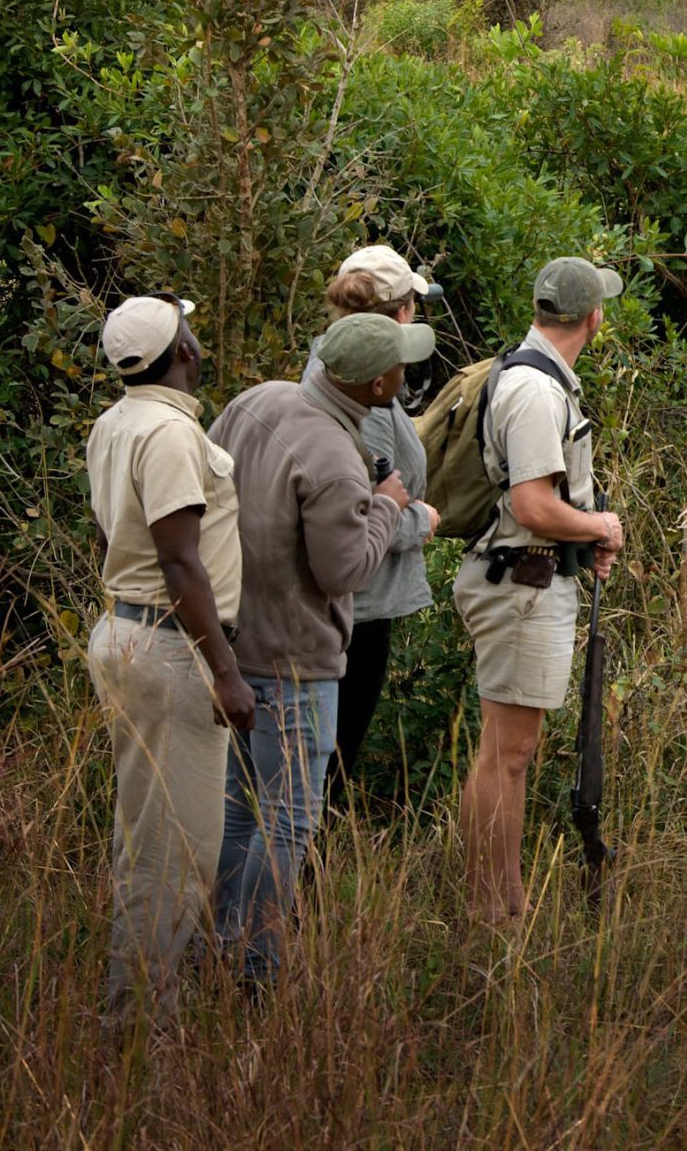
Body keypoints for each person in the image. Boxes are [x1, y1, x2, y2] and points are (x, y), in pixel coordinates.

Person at [207, 310, 436, 983]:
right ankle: (257, 969)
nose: (407, 372)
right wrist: (390, 504)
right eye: (399, 366)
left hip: (238, 649)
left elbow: (209, 479)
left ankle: (220, 944)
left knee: (240, 812)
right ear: (374, 385)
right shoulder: (338, 459)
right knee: (290, 822)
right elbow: (343, 571)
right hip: (298, 665)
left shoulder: (258, 401)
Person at [82, 295, 253, 1021]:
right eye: (189, 325)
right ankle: (141, 1029)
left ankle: (142, 1012)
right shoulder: (170, 435)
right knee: (175, 854)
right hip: (169, 646)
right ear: (179, 349)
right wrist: (225, 670)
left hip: (125, 629)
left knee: (146, 837)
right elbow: (180, 563)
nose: (196, 332)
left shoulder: (116, 421)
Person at [454, 256, 625, 926]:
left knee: (504, 754)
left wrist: (583, 541)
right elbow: (532, 505)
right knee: (508, 757)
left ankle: (498, 902)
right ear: (593, 317)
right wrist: (599, 524)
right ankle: (493, 909)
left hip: (523, 577)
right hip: (520, 583)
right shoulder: (536, 390)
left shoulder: (538, 378)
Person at [318, 246, 444, 797]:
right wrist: (421, 521)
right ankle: (298, 877)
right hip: (356, 605)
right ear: (397, 315)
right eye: (413, 305)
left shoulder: (349, 376)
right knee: (329, 764)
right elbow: (359, 512)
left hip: (356, 599)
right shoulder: (360, 394)